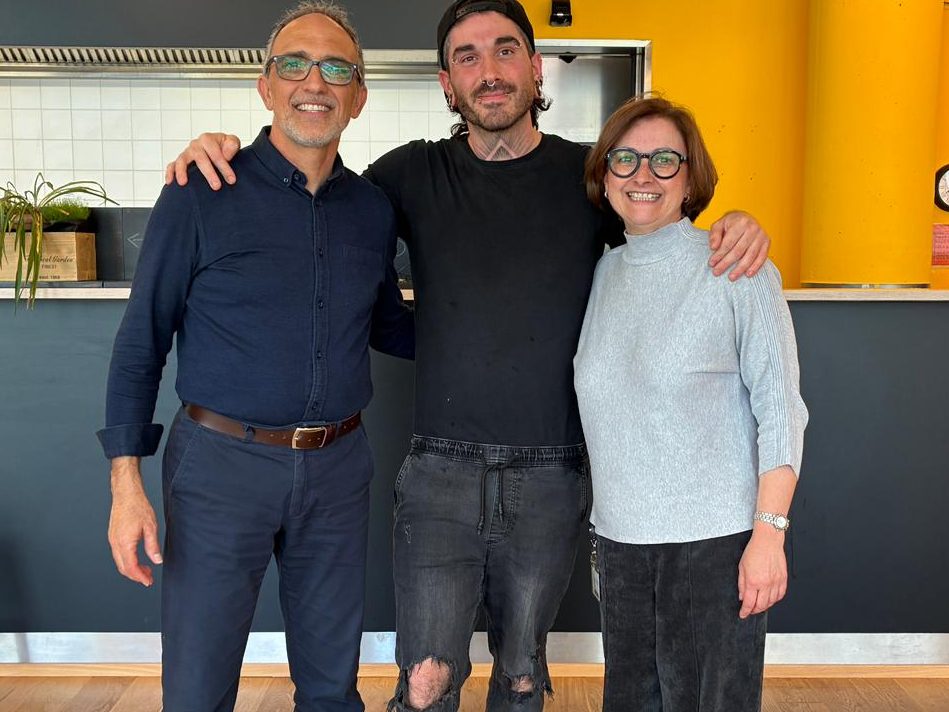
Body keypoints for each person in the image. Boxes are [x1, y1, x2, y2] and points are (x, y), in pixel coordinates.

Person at [166, 3, 773, 709]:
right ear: (446, 83)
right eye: (467, 56)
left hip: (552, 472)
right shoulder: (406, 175)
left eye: (505, 50)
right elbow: (313, 194)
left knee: (521, 676)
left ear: (535, 68)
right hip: (439, 473)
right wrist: (225, 154)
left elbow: (659, 229)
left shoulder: (588, 177)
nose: (489, 71)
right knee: (425, 683)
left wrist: (732, 221)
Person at [97, 3, 414, 711]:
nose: (315, 82)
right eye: (294, 64)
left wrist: (505, 327)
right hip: (219, 468)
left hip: (338, 469)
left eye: (336, 69)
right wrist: (125, 485)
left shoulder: (371, 209)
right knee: (198, 689)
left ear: (359, 96)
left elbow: (388, 327)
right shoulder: (201, 190)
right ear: (266, 86)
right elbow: (141, 340)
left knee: (331, 689)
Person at [574, 95, 808, 712]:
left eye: (664, 160)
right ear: (605, 174)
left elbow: (782, 410)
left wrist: (770, 537)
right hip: (621, 546)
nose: (643, 174)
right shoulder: (601, 274)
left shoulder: (738, 268)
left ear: (690, 177)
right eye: (625, 158)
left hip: (715, 547)